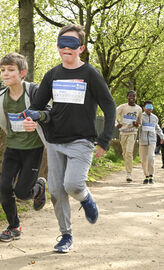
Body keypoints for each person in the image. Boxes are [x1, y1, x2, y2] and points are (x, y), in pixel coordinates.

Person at [22, 24, 116, 253]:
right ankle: (66, 236)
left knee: (73, 184)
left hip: (81, 141)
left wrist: (104, 140)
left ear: (81, 48)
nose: (66, 48)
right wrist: (30, 119)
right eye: (62, 44)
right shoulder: (52, 75)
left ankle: (85, 197)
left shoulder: (90, 74)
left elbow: (109, 105)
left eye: (72, 44)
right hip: (55, 141)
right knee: (56, 190)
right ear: (57, 47)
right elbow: (36, 106)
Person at [0, 53, 48, 242]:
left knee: (21, 193)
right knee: (3, 188)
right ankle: (14, 226)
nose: (5, 74)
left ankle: (39, 188)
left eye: (11, 70)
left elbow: (48, 112)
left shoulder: (33, 91)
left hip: (33, 149)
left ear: (22, 73)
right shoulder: (2, 96)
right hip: (12, 148)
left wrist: (37, 120)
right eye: (3, 70)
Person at [115, 90, 142, 182]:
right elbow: (113, 114)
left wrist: (137, 124)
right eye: (130, 96)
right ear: (127, 97)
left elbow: (140, 122)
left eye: (134, 96)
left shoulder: (138, 109)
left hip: (132, 132)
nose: (132, 98)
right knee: (125, 153)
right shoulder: (123, 107)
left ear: (136, 98)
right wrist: (116, 124)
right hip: (123, 132)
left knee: (129, 153)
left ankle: (129, 173)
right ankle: (127, 167)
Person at [139, 100, 164, 184]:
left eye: (151, 107)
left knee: (151, 157)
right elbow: (137, 127)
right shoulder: (140, 116)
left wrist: (161, 136)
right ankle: (146, 176)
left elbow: (157, 127)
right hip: (142, 141)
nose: (149, 109)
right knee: (143, 160)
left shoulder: (155, 117)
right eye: (147, 107)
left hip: (152, 140)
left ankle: (151, 175)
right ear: (143, 108)